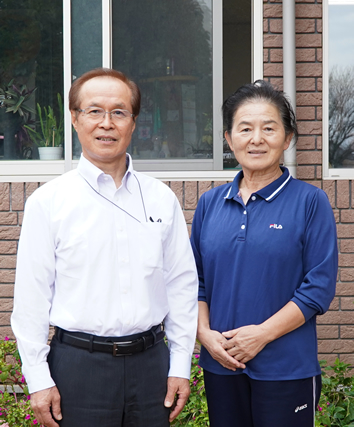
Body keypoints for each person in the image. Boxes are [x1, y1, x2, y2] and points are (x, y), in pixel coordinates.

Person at [11, 67, 198, 427]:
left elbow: (181, 285)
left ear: (133, 121)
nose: (106, 123)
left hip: (151, 366)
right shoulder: (49, 201)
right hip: (79, 367)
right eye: (94, 111)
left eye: (119, 112)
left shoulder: (160, 198)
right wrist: (37, 379)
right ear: (75, 119)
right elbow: (31, 298)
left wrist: (180, 365)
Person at [190, 80, 338, 427]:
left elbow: (318, 287)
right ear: (229, 139)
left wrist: (261, 335)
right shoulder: (210, 204)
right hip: (222, 364)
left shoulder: (309, 202)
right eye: (245, 128)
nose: (256, 139)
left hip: (286, 368)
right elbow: (194, 282)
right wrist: (205, 336)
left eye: (269, 128)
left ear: (287, 139)